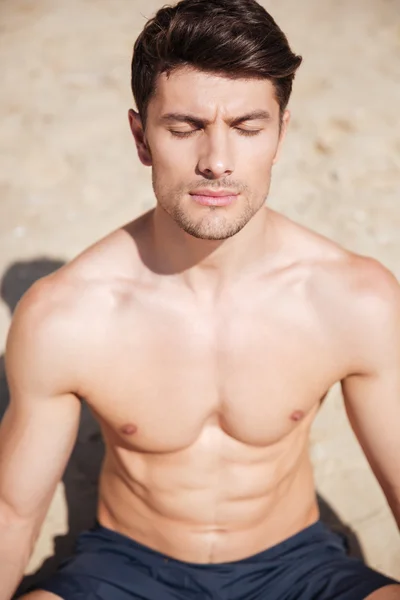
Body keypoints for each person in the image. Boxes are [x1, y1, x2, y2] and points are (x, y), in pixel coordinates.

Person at [0, 0, 399, 598]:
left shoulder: (352, 299)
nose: (216, 161)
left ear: (281, 135)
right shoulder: (67, 315)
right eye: (185, 128)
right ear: (141, 137)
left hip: (299, 569)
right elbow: (13, 512)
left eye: (247, 127)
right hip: (125, 570)